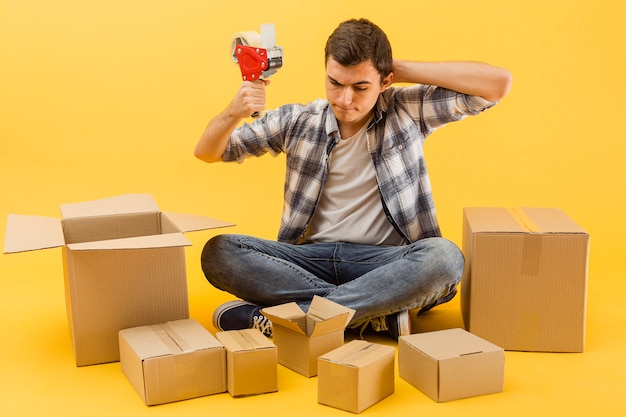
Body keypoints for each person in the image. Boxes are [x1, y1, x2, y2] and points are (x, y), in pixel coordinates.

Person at [195, 18, 512, 339]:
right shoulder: (298, 121)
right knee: (220, 251)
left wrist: (397, 68)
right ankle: (372, 315)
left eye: (360, 87)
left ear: (385, 81)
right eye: (335, 83)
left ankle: (293, 318)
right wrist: (233, 111)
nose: (345, 100)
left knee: (444, 258)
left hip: (387, 264)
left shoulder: (407, 110)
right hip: (308, 261)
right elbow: (208, 151)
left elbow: (497, 84)